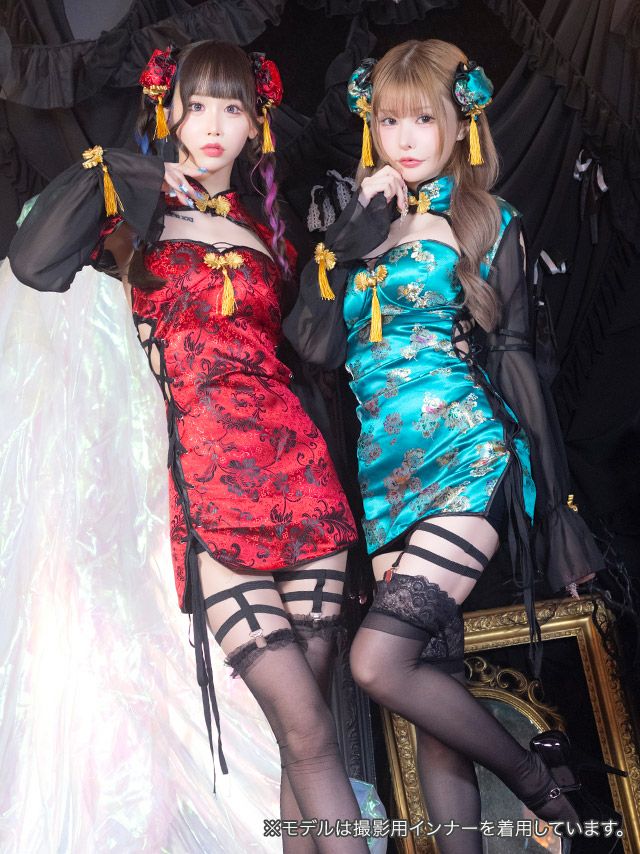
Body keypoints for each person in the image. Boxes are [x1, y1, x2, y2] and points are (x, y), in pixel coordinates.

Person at [9, 40, 370, 854]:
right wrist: (121, 172)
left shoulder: (266, 225)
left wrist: (338, 254)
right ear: (167, 109)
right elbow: (32, 263)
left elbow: (316, 348)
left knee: (307, 727)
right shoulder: (132, 211)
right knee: (305, 727)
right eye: (196, 104)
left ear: (256, 124)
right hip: (208, 485)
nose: (212, 124)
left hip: (301, 474)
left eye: (232, 107)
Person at [283, 39, 613, 853]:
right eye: (389, 121)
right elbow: (314, 345)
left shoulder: (487, 222)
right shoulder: (353, 225)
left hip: (469, 457)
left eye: (423, 120)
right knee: (430, 693)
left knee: (377, 664)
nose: (404, 138)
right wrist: (351, 236)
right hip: (385, 480)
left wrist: (559, 512)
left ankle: (547, 784)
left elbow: (519, 364)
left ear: (460, 124)